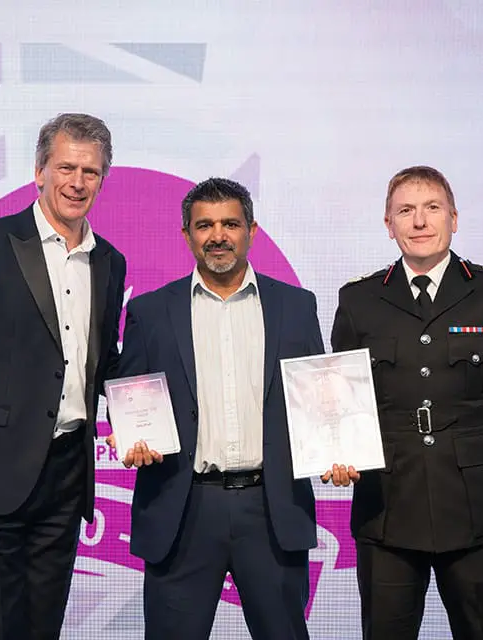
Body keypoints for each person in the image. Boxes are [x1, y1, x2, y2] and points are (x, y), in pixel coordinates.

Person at [0, 113, 126, 639]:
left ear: (102, 179)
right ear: (39, 171)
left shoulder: (110, 261)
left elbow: (104, 362)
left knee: (44, 628)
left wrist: (145, 408)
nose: (77, 182)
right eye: (66, 167)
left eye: (90, 171)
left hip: (67, 477)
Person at [329, 166, 483, 639]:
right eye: (406, 210)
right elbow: (342, 401)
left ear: (454, 218)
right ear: (389, 224)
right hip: (388, 505)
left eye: (432, 208)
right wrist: (341, 452)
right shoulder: (359, 300)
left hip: (474, 504)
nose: (420, 221)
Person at [109, 177, 324, 639]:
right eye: (204, 225)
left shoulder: (296, 306)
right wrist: (127, 433)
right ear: (186, 235)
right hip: (182, 509)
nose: (218, 235)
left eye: (230, 223)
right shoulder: (150, 312)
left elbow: (319, 402)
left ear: (252, 231)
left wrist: (335, 449)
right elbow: (128, 395)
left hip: (271, 509)